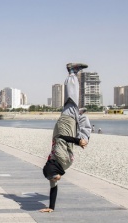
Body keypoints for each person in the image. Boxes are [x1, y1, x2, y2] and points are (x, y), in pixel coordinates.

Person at [39, 63, 91, 213]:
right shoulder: (56, 169)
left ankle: (72, 73)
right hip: (67, 129)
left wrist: (78, 141)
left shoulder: (59, 158)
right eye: (54, 179)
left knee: (71, 100)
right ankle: (79, 115)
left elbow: (62, 137)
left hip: (65, 126)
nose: (56, 180)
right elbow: (53, 190)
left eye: (55, 177)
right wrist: (51, 207)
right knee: (83, 125)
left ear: (54, 170)